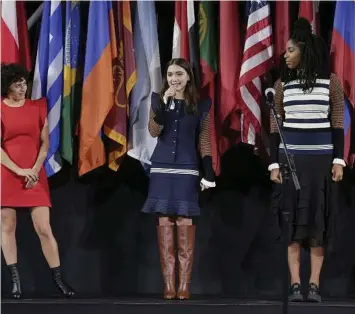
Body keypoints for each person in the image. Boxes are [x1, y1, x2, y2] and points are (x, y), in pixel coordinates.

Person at [269, 18, 345, 303]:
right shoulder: (281, 85)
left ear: (304, 50)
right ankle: (295, 284)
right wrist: (274, 164)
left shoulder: (331, 82)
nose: (285, 55)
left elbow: (337, 123)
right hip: (290, 162)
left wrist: (338, 159)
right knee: (293, 224)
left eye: (290, 50)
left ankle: (314, 284)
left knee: (317, 223)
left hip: (321, 161)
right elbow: (275, 126)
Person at [141, 58, 216, 300]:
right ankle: (168, 285)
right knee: (164, 221)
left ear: (188, 78)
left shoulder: (201, 105)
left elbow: (204, 141)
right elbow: (154, 131)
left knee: (184, 221)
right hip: (162, 170)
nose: (174, 79)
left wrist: (209, 172)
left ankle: (184, 284)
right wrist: (164, 105)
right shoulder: (158, 101)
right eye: (170, 74)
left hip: (187, 170)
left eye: (179, 74)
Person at [1, 63, 75, 299]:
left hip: (35, 173)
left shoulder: (37, 106)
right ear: (6, 86)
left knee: (44, 228)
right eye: (17, 83)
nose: (23, 87)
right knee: (7, 227)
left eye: (24, 82)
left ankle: (58, 279)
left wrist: (33, 169)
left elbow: (45, 144)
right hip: (8, 173)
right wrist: (19, 171)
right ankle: (15, 280)